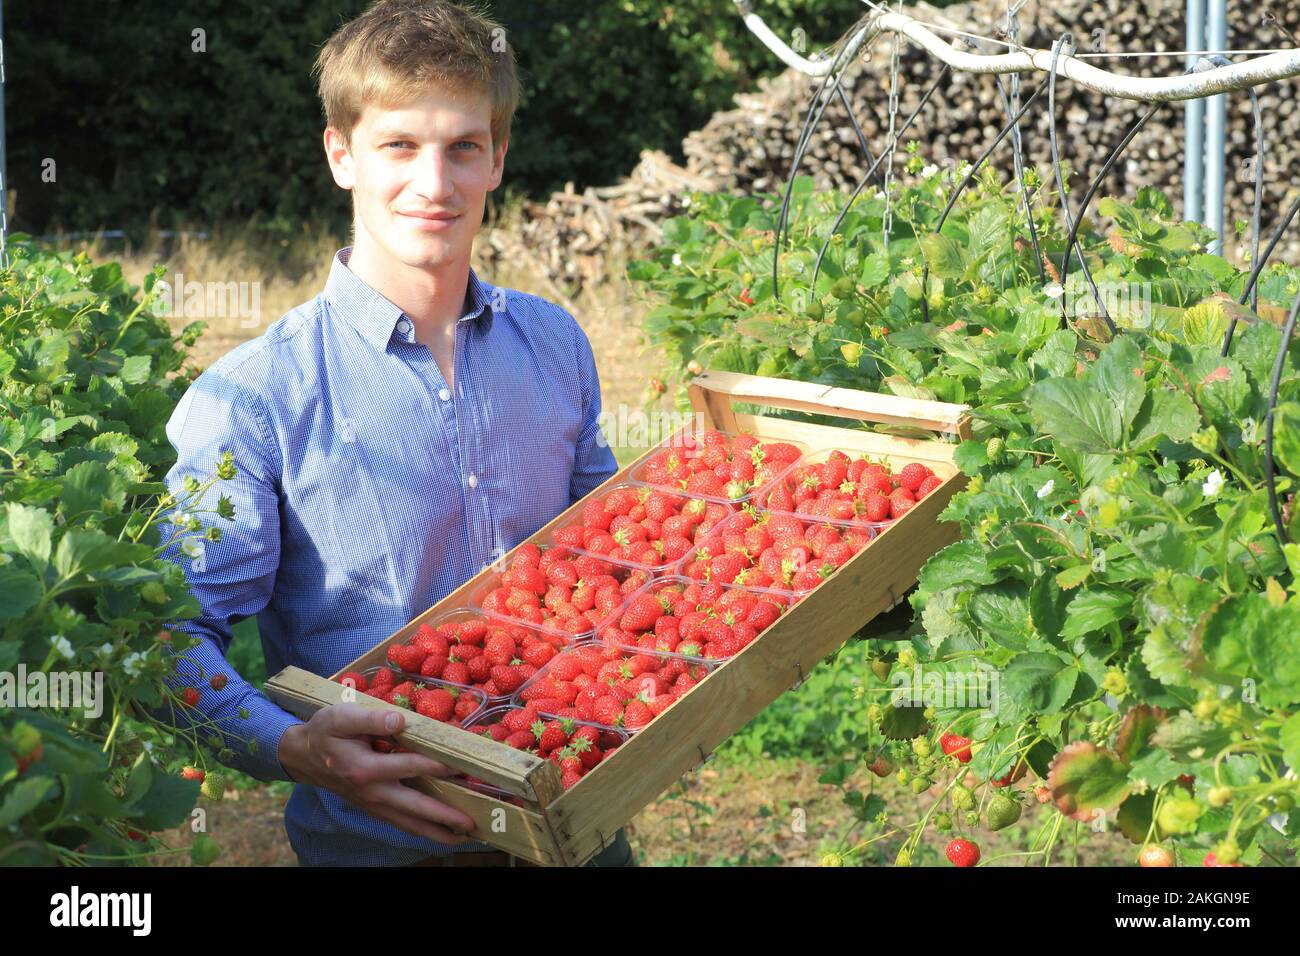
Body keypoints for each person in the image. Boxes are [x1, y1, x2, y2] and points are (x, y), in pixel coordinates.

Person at [157, 0, 631, 867]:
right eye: (398, 147)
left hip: (580, 824)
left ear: (498, 159)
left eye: (462, 147)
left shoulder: (556, 343)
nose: (434, 183)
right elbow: (173, 640)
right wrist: (295, 748)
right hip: (382, 848)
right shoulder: (254, 397)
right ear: (341, 155)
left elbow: (611, 564)